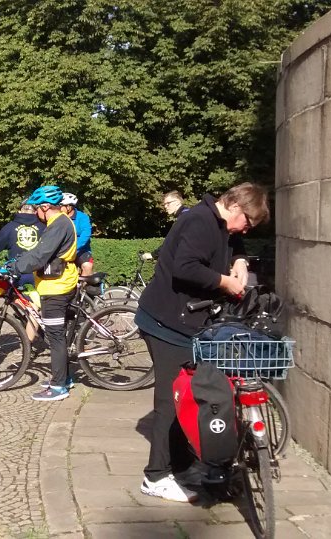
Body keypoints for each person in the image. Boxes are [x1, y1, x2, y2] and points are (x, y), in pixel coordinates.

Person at [134, 182, 269, 503]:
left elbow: (232, 241)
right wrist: (225, 283)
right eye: (247, 222)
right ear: (234, 206)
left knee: (190, 395)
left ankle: (182, 467)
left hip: (187, 323)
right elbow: (185, 267)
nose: (245, 230)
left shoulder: (220, 223)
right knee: (171, 399)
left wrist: (240, 260)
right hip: (166, 323)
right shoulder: (199, 221)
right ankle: (156, 476)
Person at [10, 186, 79, 401]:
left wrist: (15, 268)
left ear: (45, 207)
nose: (35, 213)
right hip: (55, 285)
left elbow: (41, 255)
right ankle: (64, 378)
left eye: (37, 209)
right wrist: (19, 261)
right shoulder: (59, 222)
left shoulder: (58, 224)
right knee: (58, 335)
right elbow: (40, 251)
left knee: (55, 336)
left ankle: (58, 387)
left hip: (56, 288)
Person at [0, 202, 45, 288]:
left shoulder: (10, 227)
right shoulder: (44, 228)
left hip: (16, 273)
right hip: (39, 275)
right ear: (35, 212)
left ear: (19, 211)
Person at [60, 193, 93, 276]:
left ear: (68, 207)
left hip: (80, 250)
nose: (58, 208)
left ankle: (84, 284)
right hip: (62, 251)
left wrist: (74, 248)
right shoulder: (58, 217)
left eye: (61, 205)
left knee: (87, 266)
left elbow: (86, 234)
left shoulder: (82, 217)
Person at [152, 191, 189, 259]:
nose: (165, 206)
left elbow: (171, 241)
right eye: (164, 204)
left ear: (177, 202)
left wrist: (153, 255)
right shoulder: (186, 215)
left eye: (168, 203)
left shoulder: (184, 217)